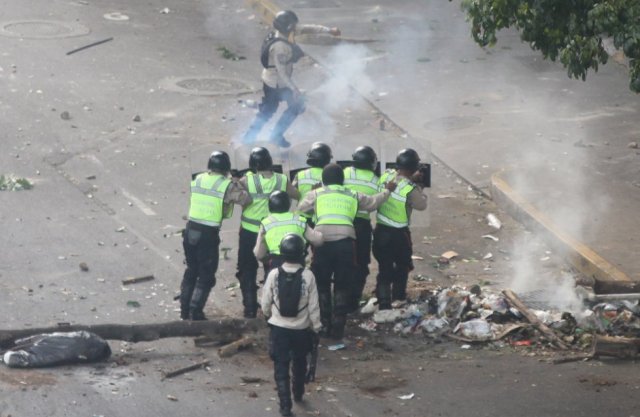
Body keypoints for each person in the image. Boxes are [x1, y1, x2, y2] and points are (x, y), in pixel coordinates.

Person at [297, 164, 396, 340]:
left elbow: (301, 209)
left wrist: (312, 192)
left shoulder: (317, 193)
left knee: (322, 283)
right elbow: (373, 203)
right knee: (343, 283)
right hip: (346, 242)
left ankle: (324, 322)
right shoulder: (352, 194)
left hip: (322, 242)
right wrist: (387, 191)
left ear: (324, 180)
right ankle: (339, 326)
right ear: (342, 180)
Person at [243, 10, 341, 148]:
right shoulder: (280, 47)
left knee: (296, 105)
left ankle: (275, 136)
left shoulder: (286, 33)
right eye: (293, 25)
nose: (296, 27)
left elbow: (308, 28)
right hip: (275, 84)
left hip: (281, 81)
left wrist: (329, 30)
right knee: (269, 111)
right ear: (288, 27)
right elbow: (282, 73)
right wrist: (294, 89)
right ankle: (249, 138)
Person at [180, 151, 251, 320]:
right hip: (207, 235)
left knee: (191, 271)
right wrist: (237, 181)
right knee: (206, 275)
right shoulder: (226, 185)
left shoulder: (197, 179)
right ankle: (195, 312)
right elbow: (245, 200)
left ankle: (184, 310)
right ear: (226, 168)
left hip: (190, 231)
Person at [261, 234, 322, 417]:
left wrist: (268, 316)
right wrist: (317, 326)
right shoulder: (308, 276)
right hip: (301, 329)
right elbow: (314, 305)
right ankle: (298, 392)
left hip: (279, 329)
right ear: (302, 253)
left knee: (281, 366)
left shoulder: (273, 274)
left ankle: (285, 407)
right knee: (300, 361)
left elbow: (265, 302)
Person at [237, 147, 299, 318]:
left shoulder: (246, 180)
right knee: (271, 270)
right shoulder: (281, 180)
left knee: (247, 270)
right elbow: (296, 194)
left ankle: (249, 308)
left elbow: (237, 196)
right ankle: (270, 308)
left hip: (249, 232)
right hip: (272, 232)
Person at [373, 148, 428, 310]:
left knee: (384, 267)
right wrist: (418, 185)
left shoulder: (386, 175)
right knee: (402, 266)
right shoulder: (410, 188)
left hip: (381, 231)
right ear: (414, 168)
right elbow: (421, 205)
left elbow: (398, 179)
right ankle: (398, 297)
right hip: (399, 235)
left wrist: (410, 178)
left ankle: (383, 302)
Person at [342, 146, 380, 312]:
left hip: (342, 223)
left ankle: (339, 299)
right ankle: (353, 302)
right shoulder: (376, 180)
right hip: (361, 227)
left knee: (341, 263)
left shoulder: (344, 173)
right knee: (361, 264)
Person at [254, 190, 324, 273]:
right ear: (288, 204)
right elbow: (318, 240)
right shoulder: (299, 220)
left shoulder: (266, 223)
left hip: (276, 262)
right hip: (298, 262)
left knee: (271, 284)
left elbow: (259, 253)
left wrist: (266, 260)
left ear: (270, 206)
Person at [292, 141, 332, 224]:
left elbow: (293, 194)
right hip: (321, 217)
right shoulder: (331, 175)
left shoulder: (300, 175)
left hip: (301, 217)